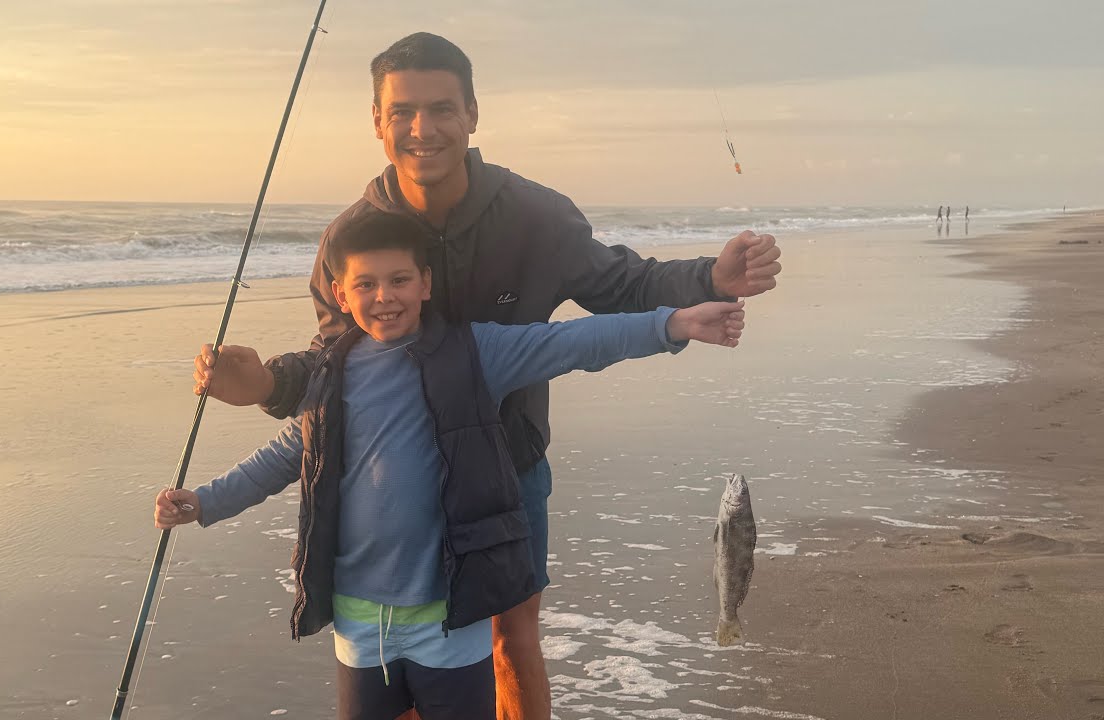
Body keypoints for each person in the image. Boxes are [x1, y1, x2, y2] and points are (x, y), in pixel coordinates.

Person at [193, 32, 781, 719]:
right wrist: (265, 386)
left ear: (472, 113)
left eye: (442, 108)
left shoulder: (534, 214)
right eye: (403, 111)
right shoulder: (349, 240)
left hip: (509, 464)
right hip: (394, 479)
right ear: (378, 121)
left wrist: (710, 279)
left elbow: (620, 285)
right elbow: (336, 371)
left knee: (510, 640)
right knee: (398, 653)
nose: (423, 129)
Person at [164, 212, 747, 719]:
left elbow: (571, 342)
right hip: (360, 618)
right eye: (365, 284)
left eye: (399, 280)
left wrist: (672, 324)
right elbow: (283, 456)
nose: (384, 296)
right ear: (340, 295)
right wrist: (206, 501)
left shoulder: (476, 352)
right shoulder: (327, 376)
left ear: (425, 283)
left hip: (451, 617)